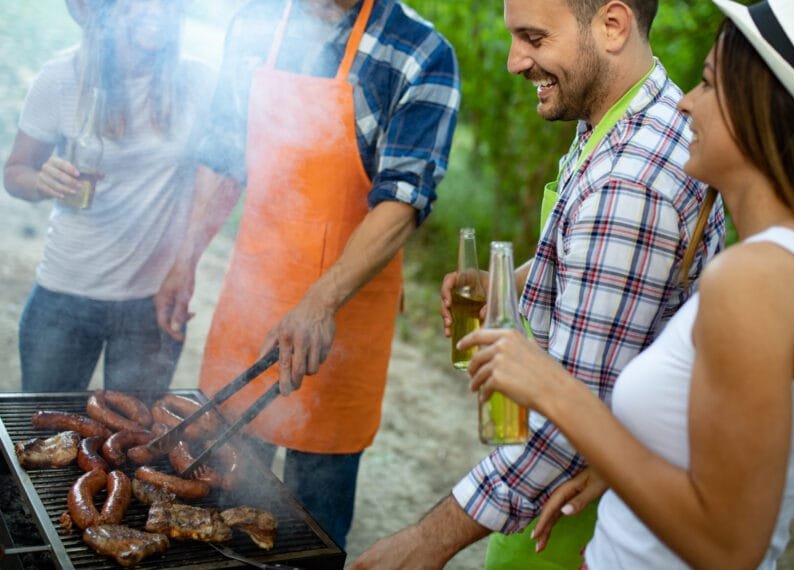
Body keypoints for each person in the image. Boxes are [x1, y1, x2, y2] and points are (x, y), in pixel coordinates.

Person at [458, 0, 794, 567]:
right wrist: (616, 469)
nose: (684, 103)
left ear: (766, 112)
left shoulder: (755, 282)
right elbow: (709, 457)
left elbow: (729, 548)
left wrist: (552, 390)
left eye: (706, 84)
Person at [352, 0, 725, 568]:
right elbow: (590, 266)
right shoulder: (619, 120)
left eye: (533, 37)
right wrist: (509, 282)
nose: (513, 61)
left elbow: (571, 426)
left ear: (612, 25)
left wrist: (427, 542)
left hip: (574, 525)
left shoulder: (629, 185)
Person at [153, 0, 460, 548]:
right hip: (253, 300)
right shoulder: (254, 21)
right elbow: (223, 156)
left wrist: (320, 302)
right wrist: (183, 259)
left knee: (306, 526)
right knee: (217, 499)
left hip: (344, 318)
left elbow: (404, 200)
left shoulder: (421, 52)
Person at [2, 0, 213, 394]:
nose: (158, 10)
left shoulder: (198, 81)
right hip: (64, 295)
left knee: (137, 442)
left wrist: (186, 265)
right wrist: (41, 180)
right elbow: (15, 174)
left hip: (152, 303)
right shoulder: (61, 77)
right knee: (44, 436)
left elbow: (219, 179)